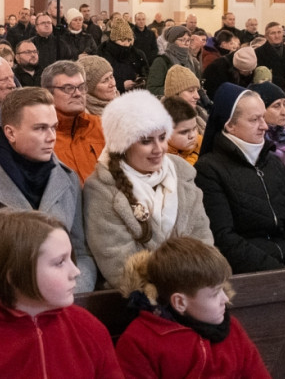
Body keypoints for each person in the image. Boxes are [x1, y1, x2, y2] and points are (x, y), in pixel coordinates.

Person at [0, 210, 121, 378]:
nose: (76, 271)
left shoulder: (89, 329)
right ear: (13, 274)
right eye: (59, 262)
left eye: (71, 258)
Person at [0, 87, 97, 293]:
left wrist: (72, 292)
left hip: (63, 304)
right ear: (10, 132)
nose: (52, 137)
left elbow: (82, 253)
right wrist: (27, 298)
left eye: (54, 127)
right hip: (4, 309)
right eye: (40, 128)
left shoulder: (68, 178)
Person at [83, 91, 212, 288]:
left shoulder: (182, 173)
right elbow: (120, 266)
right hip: (139, 301)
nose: (159, 148)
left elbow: (203, 240)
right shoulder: (101, 189)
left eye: (162, 138)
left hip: (195, 289)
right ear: (123, 145)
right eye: (146, 141)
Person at [194, 84, 285, 273]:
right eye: (254, 119)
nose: (264, 126)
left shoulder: (274, 163)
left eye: (263, 117)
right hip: (252, 277)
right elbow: (224, 239)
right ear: (230, 125)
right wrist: (280, 275)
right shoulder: (209, 170)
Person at [116, 237, 272, 379]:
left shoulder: (233, 329)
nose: (225, 299)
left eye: (223, 289)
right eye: (215, 293)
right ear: (180, 302)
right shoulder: (138, 343)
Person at [43, 61, 106, 184]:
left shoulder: (103, 127)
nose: (78, 93)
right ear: (48, 94)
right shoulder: (40, 136)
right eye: (68, 88)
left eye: (81, 87)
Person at [99, 17, 149, 93]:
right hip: (112, 96)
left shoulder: (137, 53)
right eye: (122, 40)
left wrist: (141, 81)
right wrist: (121, 85)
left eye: (129, 40)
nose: (126, 44)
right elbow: (100, 80)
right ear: (114, 40)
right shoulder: (104, 53)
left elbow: (146, 73)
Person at [147, 26, 201, 97]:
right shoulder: (162, 61)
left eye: (188, 40)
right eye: (182, 40)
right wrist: (177, 92)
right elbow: (152, 89)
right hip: (171, 103)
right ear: (173, 41)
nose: (186, 43)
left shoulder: (192, 61)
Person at [254, 22, 285, 95]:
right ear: (266, 36)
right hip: (270, 90)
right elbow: (260, 74)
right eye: (273, 33)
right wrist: (284, 83)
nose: (277, 36)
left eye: (279, 32)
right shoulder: (258, 52)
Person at [164, 98, 201, 165]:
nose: (192, 135)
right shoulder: (163, 163)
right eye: (184, 132)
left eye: (194, 128)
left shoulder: (203, 144)